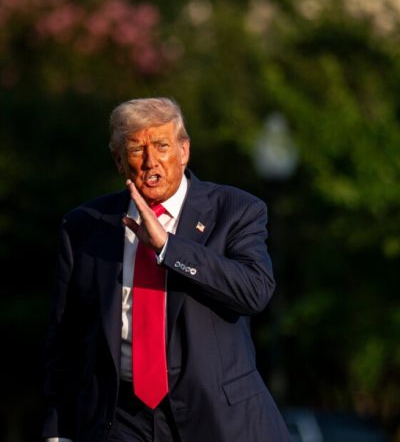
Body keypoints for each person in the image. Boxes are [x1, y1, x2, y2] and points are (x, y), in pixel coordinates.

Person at [42, 97, 291, 441]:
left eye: (162, 146)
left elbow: (254, 291)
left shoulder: (235, 210)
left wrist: (168, 248)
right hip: (120, 419)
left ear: (184, 151)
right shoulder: (84, 226)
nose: (150, 161)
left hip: (216, 418)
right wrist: (58, 431)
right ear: (118, 161)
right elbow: (65, 339)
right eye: (136, 150)